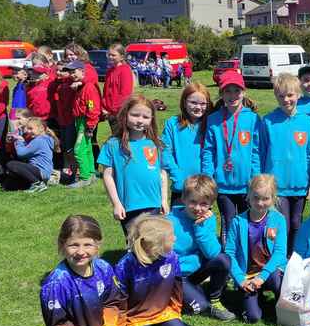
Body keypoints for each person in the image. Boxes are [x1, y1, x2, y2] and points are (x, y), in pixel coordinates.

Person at [40, 215, 143, 326]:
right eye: (74, 245)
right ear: (62, 245)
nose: (81, 252)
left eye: (87, 244)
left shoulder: (103, 268)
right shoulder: (56, 283)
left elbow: (113, 302)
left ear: (97, 245)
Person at [115, 214, 193, 326]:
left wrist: (175, 313)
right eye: (171, 236)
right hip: (135, 320)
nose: (175, 238)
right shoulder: (125, 266)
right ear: (156, 245)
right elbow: (117, 303)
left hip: (163, 313)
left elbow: (176, 290)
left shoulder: (171, 257)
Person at [202, 71, 261, 241]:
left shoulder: (253, 119)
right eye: (227, 91)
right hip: (222, 186)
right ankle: (229, 254)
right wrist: (208, 177)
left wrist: (255, 179)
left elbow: (256, 151)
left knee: (247, 222)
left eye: (237, 90)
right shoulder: (213, 119)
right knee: (228, 222)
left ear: (244, 92)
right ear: (221, 93)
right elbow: (208, 150)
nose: (232, 95)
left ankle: (246, 253)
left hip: (246, 185)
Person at [98, 96, 169, 236]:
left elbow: (162, 174)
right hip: (129, 206)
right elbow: (108, 176)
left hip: (154, 204)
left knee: (155, 242)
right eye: (135, 115)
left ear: (152, 119)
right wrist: (116, 204)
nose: (140, 120)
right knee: (135, 243)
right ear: (125, 115)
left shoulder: (156, 144)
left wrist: (164, 200)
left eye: (145, 117)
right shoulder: (113, 145)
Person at [167, 174, 234, 321]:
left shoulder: (208, 219)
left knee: (223, 259)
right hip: (176, 275)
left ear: (211, 204)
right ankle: (176, 296)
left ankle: (214, 300)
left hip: (196, 270)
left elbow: (213, 253)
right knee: (199, 307)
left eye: (204, 204)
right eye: (193, 202)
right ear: (183, 198)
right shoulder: (170, 221)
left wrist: (200, 228)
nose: (198, 208)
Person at [259, 73, 310, 253]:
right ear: (275, 96)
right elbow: (261, 152)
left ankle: (293, 257)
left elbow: (308, 155)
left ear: (298, 94)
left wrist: (308, 182)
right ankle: (279, 258)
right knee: (283, 225)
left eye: (290, 95)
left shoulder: (307, 121)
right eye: (281, 96)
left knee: (297, 223)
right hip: (277, 186)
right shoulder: (268, 121)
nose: (286, 100)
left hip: (299, 184)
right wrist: (263, 182)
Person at [225, 174, 288, 323]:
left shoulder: (278, 219)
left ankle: (281, 303)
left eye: (265, 198)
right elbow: (229, 253)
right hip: (248, 277)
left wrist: (262, 276)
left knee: (275, 279)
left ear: (273, 198)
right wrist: (240, 279)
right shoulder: (238, 221)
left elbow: (280, 252)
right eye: (256, 198)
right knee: (252, 317)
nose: (260, 203)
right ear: (248, 196)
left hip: (270, 272)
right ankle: (254, 299)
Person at [162, 82, 213, 205]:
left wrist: (206, 179)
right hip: (181, 186)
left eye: (203, 104)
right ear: (184, 102)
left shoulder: (211, 125)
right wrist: (177, 176)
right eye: (193, 103)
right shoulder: (173, 124)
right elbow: (165, 152)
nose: (198, 107)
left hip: (203, 188)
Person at [64, 60, 101, 189]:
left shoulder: (89, 88)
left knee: (78, 149)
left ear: (82, 71)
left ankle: (84, 177)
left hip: (85, 121)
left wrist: (90, 126)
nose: (72, 75)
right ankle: (91, 174)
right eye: (70, 72)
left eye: (74, 71)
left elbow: (93, 107)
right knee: (87, 148)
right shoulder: (81, 86)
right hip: (80, 121)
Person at [2, 117, 57, 193]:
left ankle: (37, 184)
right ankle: (36, 183)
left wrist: (18, 140)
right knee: (8, 185)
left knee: (11, 164)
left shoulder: (39, 141)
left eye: (31, 129)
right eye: (27, 128)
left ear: (41, 129)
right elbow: (26, 148)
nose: (28, 131)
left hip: (40, 171)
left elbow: (21, 154)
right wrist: (18, 137)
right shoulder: (43, 139)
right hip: (41, 172)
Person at [102, 43, 134, 133]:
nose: (110, 57)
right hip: (109, 112)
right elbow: (106, 92)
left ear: (122, 57)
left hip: (119, 112)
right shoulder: (109, 71)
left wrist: (113, 111)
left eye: (113, 55)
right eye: (109, 55)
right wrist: (104, 107)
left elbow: (125, 94)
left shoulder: (125, 70)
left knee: (121, 136)